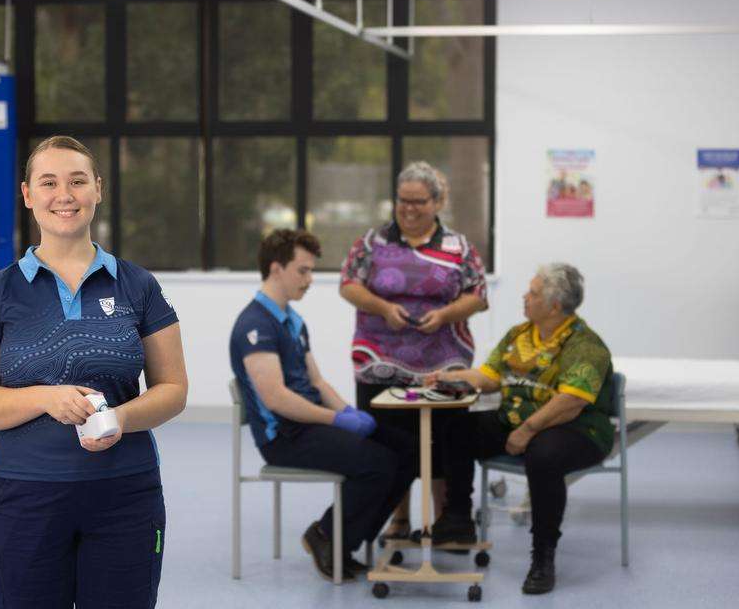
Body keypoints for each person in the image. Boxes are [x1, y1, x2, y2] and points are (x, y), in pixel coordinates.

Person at [0, 136, 188, 609]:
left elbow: (174, 389)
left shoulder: (138, 285)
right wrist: (45, 398)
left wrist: (120, 419)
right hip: (22, 497)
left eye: (78, 181)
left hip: (125, 496)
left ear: (98, 189)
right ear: (28, 195)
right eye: (49, 182)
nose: (65, 194)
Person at [230, 229, 416, 582]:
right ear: (276, 269)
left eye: (310, 271)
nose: (310, 280)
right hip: (284, 436)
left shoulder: (293, 321)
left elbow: (317, 382)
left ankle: (343, 542)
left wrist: (350, 413)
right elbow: (276, 398)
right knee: (377, 463)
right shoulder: (255, 325)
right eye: (303, 271)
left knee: (406, 450)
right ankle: (327, 536)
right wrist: (335, 419)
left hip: (309, 424)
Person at [425, 263, 614, 595]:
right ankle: (457, 517)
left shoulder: (584, 344)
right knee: (454, 427)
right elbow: (489, 378)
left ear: (554, 305)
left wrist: (526, 431)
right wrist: (449, 376)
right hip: (516, 420)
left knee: (543, 456)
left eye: (533, 292)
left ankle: (543, 556)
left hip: (577, 429)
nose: (525, 297)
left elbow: (570, 402)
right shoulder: (518, 335)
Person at [339, 161, 487, 542]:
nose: (408, 208)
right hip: (380, 362)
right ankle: (399, 519)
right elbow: (348, 286)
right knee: (389, 447)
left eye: (418, 201)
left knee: (444, 445)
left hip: (444, 363)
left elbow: (478, 296)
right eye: (402, 201)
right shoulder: (372, 242)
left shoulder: (459, 247)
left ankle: (447, 523)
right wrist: (384, 308)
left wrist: (445, 314)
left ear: (438, 202)